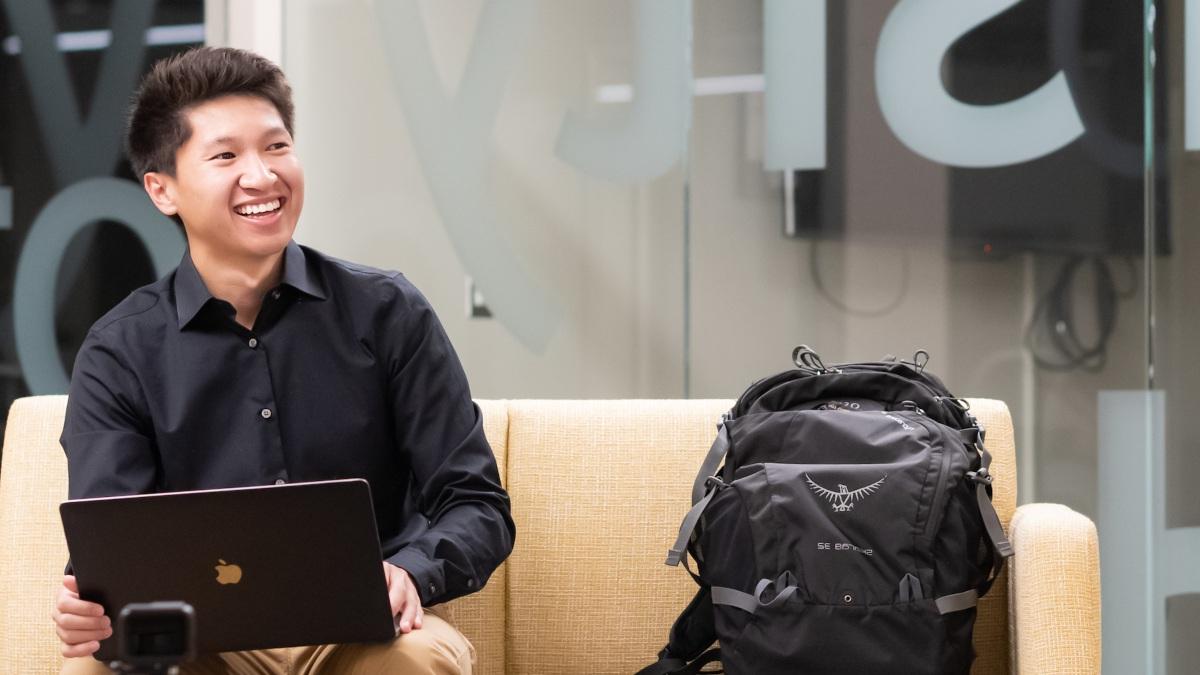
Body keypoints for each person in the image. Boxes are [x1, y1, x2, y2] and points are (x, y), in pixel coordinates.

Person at [52, 46, 514, 675]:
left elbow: (476, 502)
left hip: (365, 630)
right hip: (203, 639)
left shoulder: (386, 311)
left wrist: (409, 572)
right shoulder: (119, 350)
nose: (263, 176)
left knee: (414, 658)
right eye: (225, 156)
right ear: (162, 190)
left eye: (276, 147)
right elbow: (113, 541)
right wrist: (89, 605)